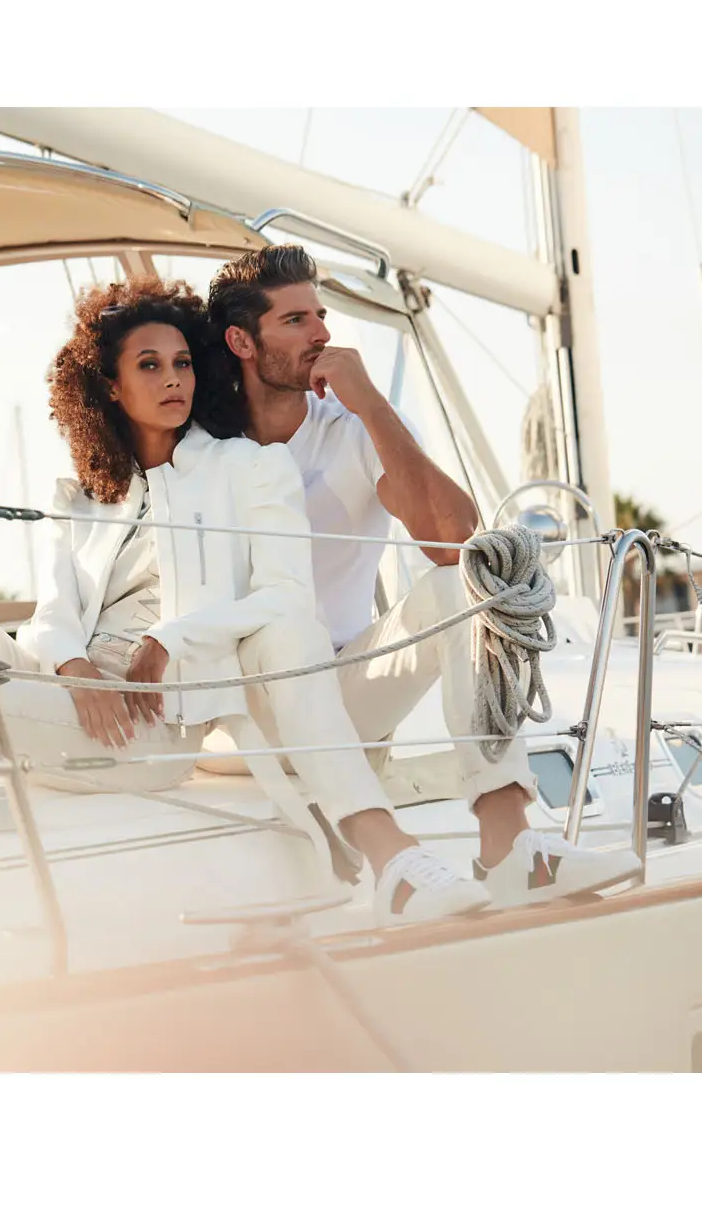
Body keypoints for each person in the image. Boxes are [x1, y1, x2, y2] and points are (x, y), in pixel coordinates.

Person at [0, 276, 487, 921]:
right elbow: (50, 620)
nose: (171, 379)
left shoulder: (250, 467)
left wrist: (167, 640)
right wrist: (75, 672)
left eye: (182, 363)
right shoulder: (83, 495)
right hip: (70, 687)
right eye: (148, 366)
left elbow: (284, 597)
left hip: (150, 720)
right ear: (110, 387)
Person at [203, 245, 639, 904]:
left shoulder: (352, 427)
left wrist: (372, 406)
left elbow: (456, 542)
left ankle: (509, 847)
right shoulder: (204, 449)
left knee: (460, 587)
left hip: (342, 691)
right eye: (295, 320)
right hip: (244, 712)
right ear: (241, 340)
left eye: (321, 313)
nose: (321, 332)